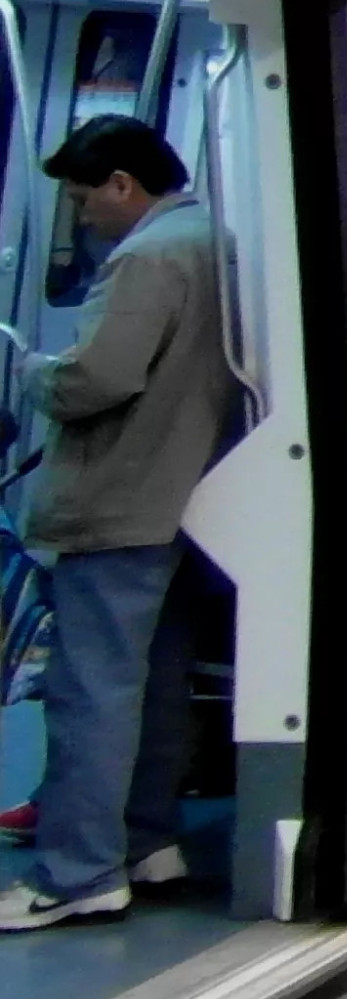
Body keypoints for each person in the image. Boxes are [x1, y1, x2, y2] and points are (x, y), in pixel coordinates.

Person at [0, 120, 237, 931]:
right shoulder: (215, 237)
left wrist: (30, 370)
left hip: (120, 498)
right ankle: (146, 842)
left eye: (81, 198)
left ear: (122, 184)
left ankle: (76, 874)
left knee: (89, 691)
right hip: (186, 501)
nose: (82, 217)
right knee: (156, 682)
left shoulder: (146, 257)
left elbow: (97, 378)